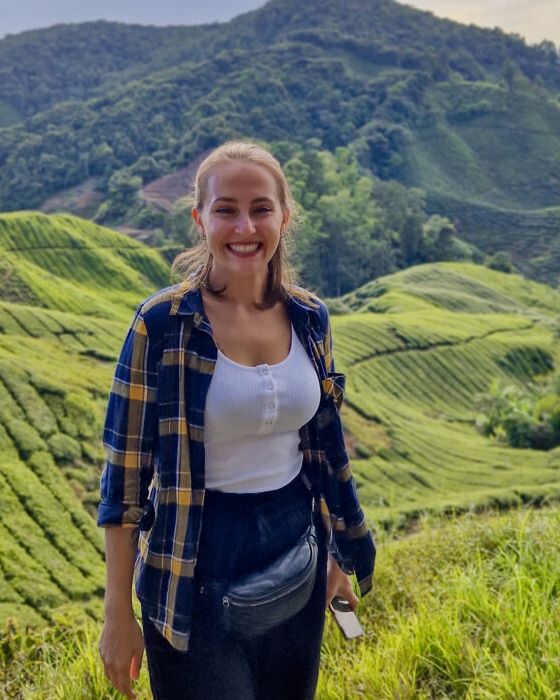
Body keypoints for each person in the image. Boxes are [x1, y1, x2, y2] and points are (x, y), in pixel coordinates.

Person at [98, 141, 375, 700]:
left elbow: (320, 452)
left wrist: (336, 558)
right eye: (226, 209)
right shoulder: (163, 324)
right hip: (194, 561)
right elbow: (124, 480)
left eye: (261, 208)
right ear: (200, 219)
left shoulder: (309, 318)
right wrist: (117, 613)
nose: (244, 226)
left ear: (284, 217)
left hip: (295, 548)